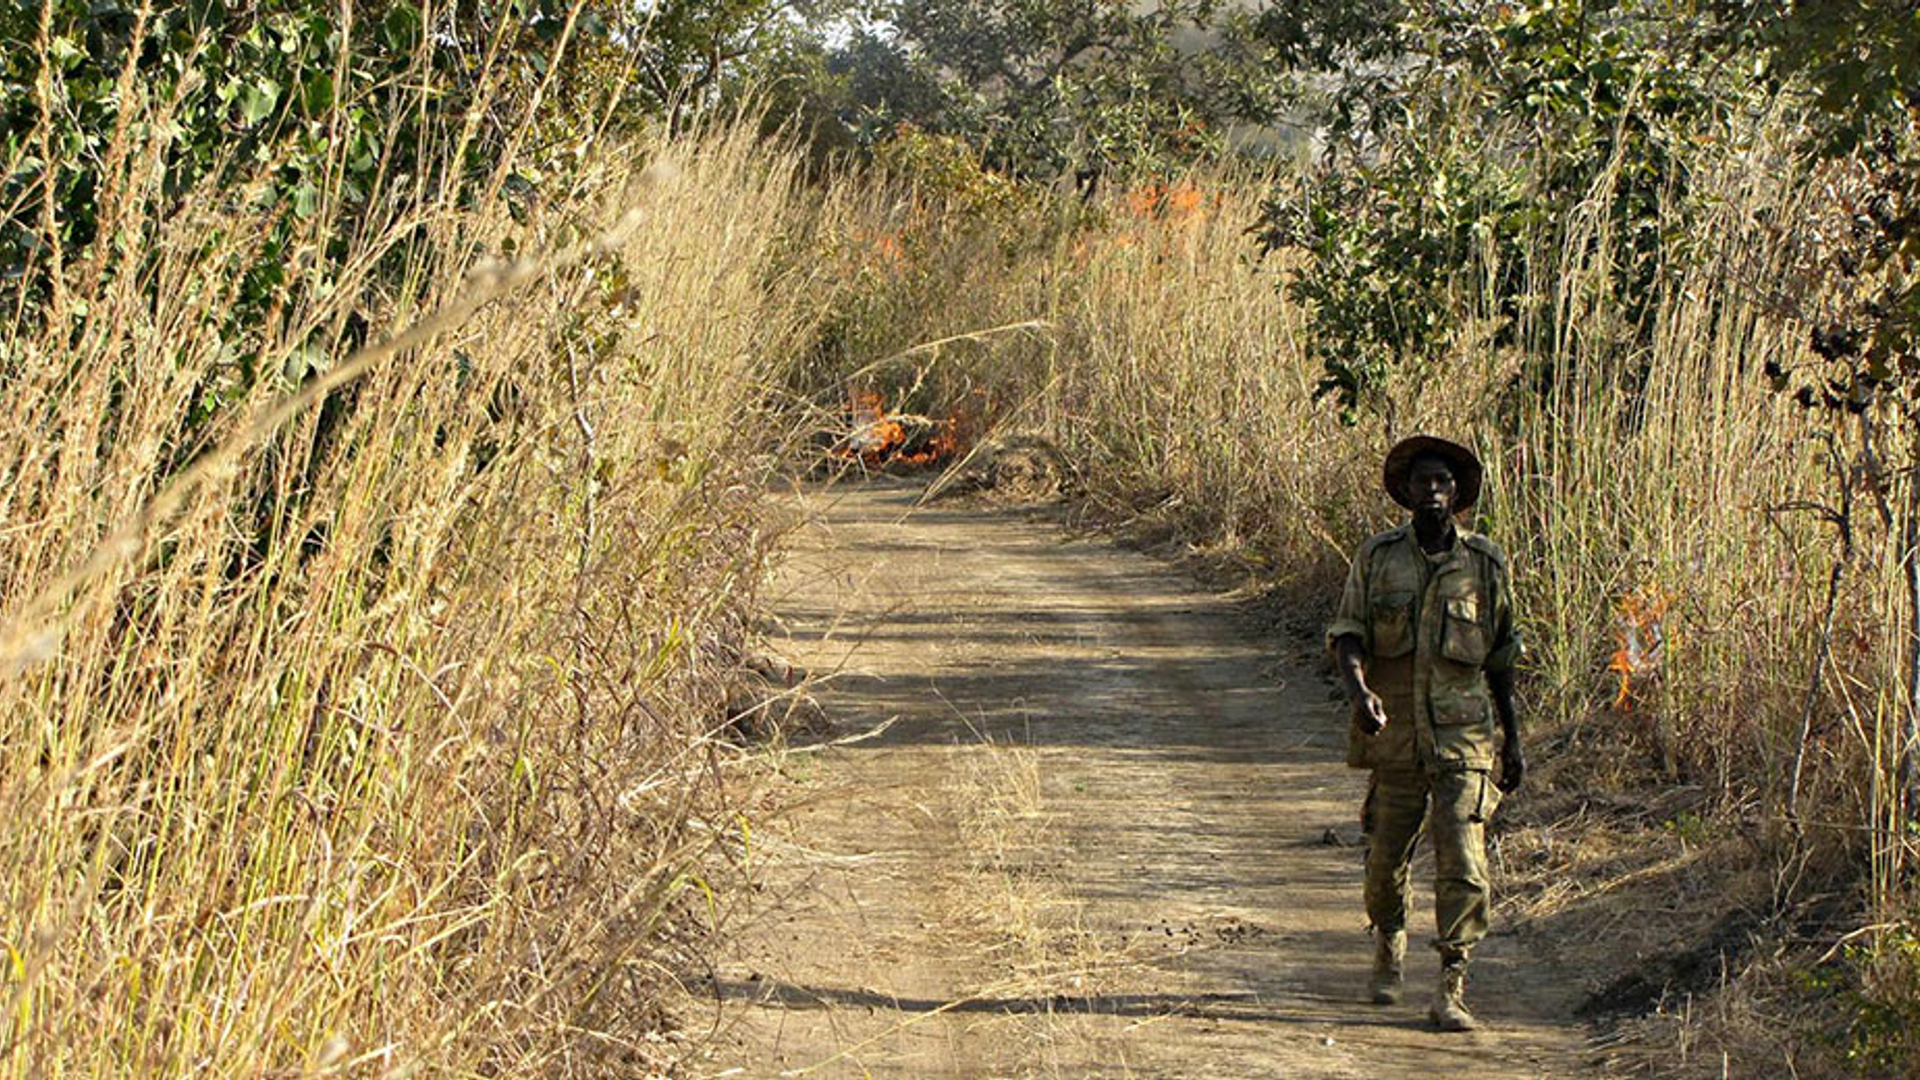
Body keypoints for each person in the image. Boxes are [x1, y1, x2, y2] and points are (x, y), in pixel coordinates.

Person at [1324, 435, 1525, 1032]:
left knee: (1464, 860)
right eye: (1423, 484)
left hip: (1463, 738)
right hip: (1396, 736)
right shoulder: (1379, 558)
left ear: (1457, 493)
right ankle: (1389, 944)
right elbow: (1349, 632)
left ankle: (1452, 985)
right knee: (1385, 862)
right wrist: (1360, 692)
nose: (1433, 494)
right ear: (1406, 493)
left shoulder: (1485, 565)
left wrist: (1513, 739)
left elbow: (1503, 657)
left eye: (1443, 483)